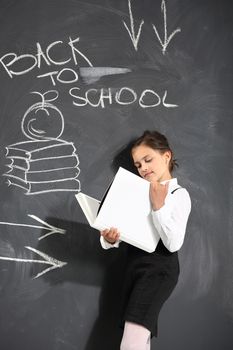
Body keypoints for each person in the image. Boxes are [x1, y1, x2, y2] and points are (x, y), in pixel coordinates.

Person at [99, 130, 191, 350]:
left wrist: (159, 206)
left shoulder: (179, 194)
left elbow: (173, 244)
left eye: (147, 160)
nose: (143, 168)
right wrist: (110, 239)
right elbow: (126, 230)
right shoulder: (136, 192)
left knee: (133, 341)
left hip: (158, 271)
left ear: (166, 156)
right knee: (139, 339)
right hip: (134, 268)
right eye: (138, 165)